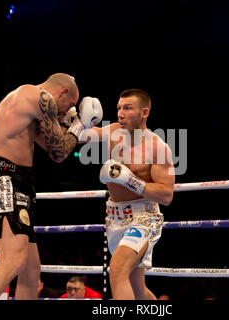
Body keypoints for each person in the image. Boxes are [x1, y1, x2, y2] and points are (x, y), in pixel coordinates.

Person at [0, 73, 103, 300]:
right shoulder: (39, 96)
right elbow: (60, 152)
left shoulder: (30, 108)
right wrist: (80, 122)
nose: (66, 111)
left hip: (16, 181)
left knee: (31, 270)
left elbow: (56, 144)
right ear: (62, 91)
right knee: (12, 261)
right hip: (4, 176)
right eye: (70, 105)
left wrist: (82, 126)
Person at [81, 89, 175, 300]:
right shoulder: (113, 132)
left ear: (144, 112)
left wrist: (130, 180)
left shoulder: (158, 148)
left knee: (118, 270)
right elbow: (81, 137)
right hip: (114, 218)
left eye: (127, 108)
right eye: (119, 108)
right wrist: (77, 120)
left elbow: (166, 195)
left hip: (143, 218)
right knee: (137, 289)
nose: (120, 113)